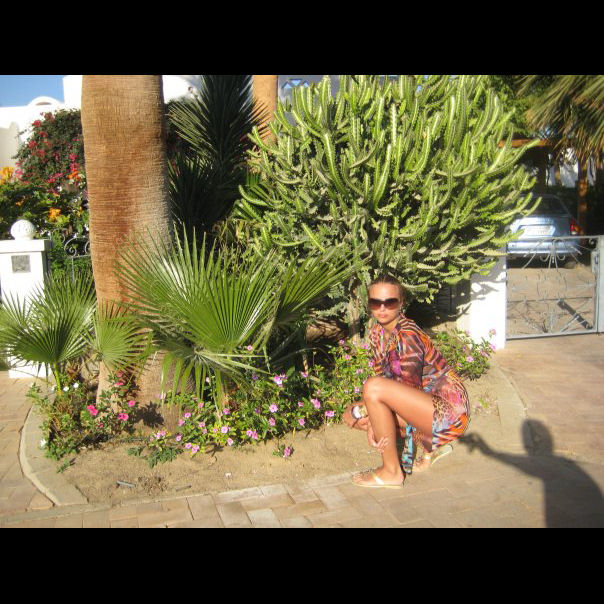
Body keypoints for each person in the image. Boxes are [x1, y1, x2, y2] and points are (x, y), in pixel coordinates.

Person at [344, 275, 471, 488]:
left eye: (390, 302)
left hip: (449, 412)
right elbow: (386, 386)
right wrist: (369, 415)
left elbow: (406, 390)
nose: (382, 308)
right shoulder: (377, 334)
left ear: (401, 303)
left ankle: (391, 472)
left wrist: (372, 416)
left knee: (371, 392)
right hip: (423, 406)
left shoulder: (408, 334)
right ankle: (428, 447)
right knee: (350, 414)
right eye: (376, 302)